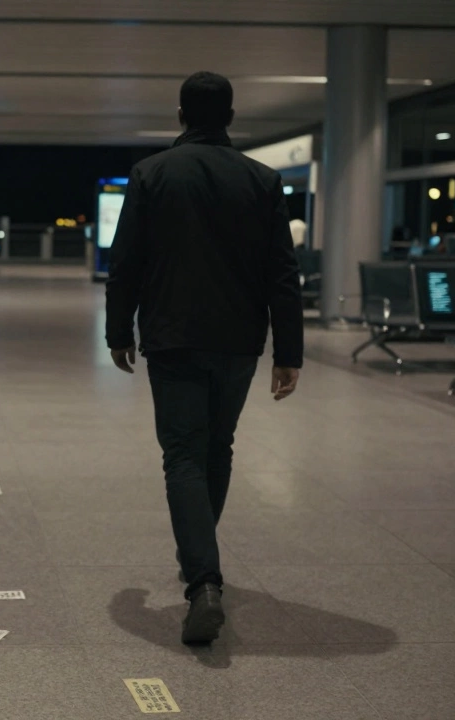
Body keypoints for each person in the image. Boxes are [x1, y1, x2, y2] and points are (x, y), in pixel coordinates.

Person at [104, 71, 304, 645]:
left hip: (173, 336)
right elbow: (282, 274)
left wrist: (120, 330)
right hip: (239, 340)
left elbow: (127, 261)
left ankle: (203, 582)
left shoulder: (152, 174)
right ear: (231, 118)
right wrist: (287, 351)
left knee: (183, 456)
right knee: (218, 446)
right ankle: (199, 553)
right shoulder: (262, 180)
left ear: (180, 116)